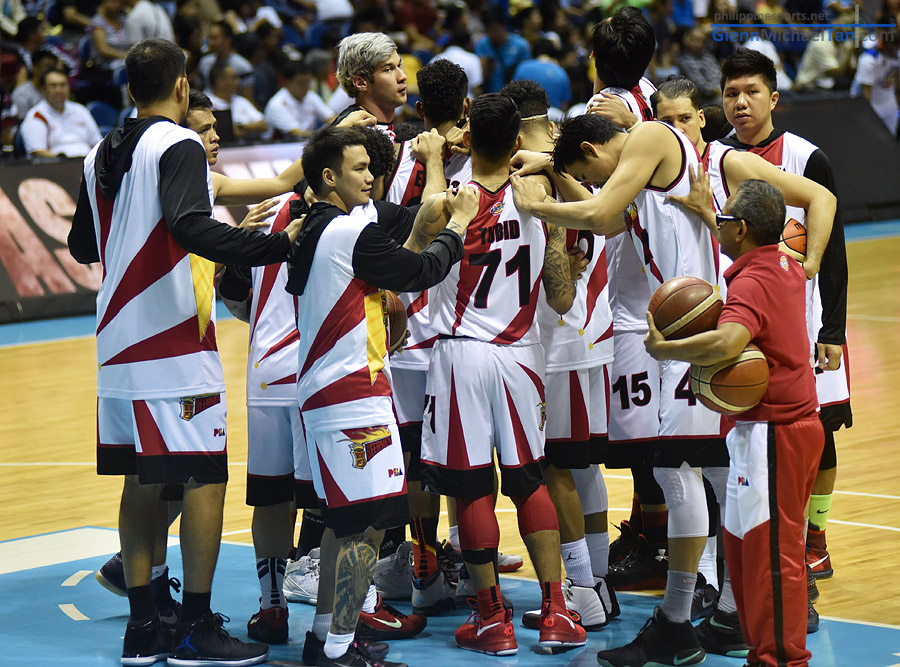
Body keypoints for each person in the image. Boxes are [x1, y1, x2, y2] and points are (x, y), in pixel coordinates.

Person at [67, 37, 305, 667]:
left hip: (114, 344)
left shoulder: (97, 153)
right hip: (171, 341)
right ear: (180, 87)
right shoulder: (177, 144)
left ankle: (145, 625)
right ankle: (198, 626)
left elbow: (82, 246)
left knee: (144, 482)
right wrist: (278, 248)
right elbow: (189, 226)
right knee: (204, 478)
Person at [511, 112, 726, 667]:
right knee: (717, 475)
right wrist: (554, 171)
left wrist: (539, 207)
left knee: (681, 477)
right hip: (688, 328)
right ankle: (732, 608)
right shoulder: (642, 168)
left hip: (690, 329)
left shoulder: (651, 137)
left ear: (594, 148)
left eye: (593, 168)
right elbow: (609, 218)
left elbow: (601, 212)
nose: (602, 180)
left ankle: (680, 621)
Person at [650, 73, 836, 658]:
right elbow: (747, 243)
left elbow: (729, 341)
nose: (721, 221)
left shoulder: (754, 276)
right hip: (779, 427)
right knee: (747, 546)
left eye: (727, 217)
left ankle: (782, 656)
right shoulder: (781, 257)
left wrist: (669, 350)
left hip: (775, 432)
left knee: (770, 552)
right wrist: (711, 216)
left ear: (743, 228)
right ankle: (763, 645)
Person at [284, 125, 479, 667]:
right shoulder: (348, 233)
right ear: (328, 177)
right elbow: (422, 270)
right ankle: (339, 650)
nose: (371, 178)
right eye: (359, 169)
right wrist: (459, 222)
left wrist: (432, 182)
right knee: (363, 532)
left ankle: (325, 637)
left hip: (330, 395)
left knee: (347, 524)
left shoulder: (320, 229)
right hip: (351, 399)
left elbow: (407, 226)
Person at [418, 93, 587, 656]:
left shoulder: (444, 204)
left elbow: (409, 271)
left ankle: (493, 620)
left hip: (461, 355)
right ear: (518, 142)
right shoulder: (538, 195)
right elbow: (561, 298)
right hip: (520, 356)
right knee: (528, 480)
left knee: (471, 488)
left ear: (466, 138)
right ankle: (557, 612)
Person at [717, 50, 851, 610]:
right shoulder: (715, 158)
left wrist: (834, 328)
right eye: (730, 94)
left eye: (751, 91)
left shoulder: (805, 157)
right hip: (743, 316)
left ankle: (812, 538)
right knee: (749, 434)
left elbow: (836, 247)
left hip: (807, 317)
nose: (740, 102)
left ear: (774, 97)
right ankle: (758, 544)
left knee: (821, 434)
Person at [503, 78, 618, 630]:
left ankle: (583, 588)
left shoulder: (541, 180)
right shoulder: (574, 175)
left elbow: (558, 282)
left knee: (557, 469)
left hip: (561, 343)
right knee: (580, 464)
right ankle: (598, 580)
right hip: (588, 340)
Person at [581, 5, 671, 594]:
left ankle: (654, 539)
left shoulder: (598, 115)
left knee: (643, 435)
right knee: (661, 427)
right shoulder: (664, 105)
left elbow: (593, 194)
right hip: (669, 276)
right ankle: (649, 528)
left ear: (595, 60)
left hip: (628, 289)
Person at [332, 32, 407, 137]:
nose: (403, 76)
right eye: (388, 70)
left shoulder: (399, 131)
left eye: (399, 65)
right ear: (361, 83)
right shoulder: (349, 134)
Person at [20, 68, 102, 157]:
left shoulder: (80, 110)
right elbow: (38, 152)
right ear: (43, 90)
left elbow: (97, 143)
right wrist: (66, 161)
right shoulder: (36, 115)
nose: (59, 90)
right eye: (53, 86)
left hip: (87, 164)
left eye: (63, 85)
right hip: (56, 166)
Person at [263, 60, 334, 139]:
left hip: (309, 142)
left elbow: (331, 117)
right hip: (281, 146)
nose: (305, 87)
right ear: (287, 82)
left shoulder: (310, 95)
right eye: (300, 83)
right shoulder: (277, 104)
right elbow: (297, 133)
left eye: (307, 82)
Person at [851, 28, 900, 138]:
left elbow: (896, 80)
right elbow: (866, 95)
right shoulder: (868, 60)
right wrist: (869, 119)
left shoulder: (897, 53)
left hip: (888, 103)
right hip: (870, 106)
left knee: (891, 140)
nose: (897, 51)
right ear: (884, 45)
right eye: (894, 47)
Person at [474, 5, 531, 93]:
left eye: (494, 29)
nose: (491, 33)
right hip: (490, 96)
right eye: (488, 29)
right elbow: (477, 78)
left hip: (513, 96)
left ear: (503, 25)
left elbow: (526, 75)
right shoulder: (481, 45)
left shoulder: (520, 46)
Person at [206, 60, 267, 140]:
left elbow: (264, 125)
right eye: (233, 78)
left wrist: (241, 126)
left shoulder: (241, 101)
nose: (238, 82)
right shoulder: (206, 104)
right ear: (220, 81)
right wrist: (250, 128)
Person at [198, 21, 255, 99]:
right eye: (209, 38)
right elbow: (198, 93)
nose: (210, 43)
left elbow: (248, 98)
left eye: (214, 38)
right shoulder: (204, 63)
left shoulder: (243, 66)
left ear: (227, 40)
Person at [11, 48, 59, 119]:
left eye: (53, 67)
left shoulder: (57, 90)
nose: (50, 71)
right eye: (47, 67)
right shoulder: (22, 93)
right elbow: (23, 122)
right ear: (35, 68)